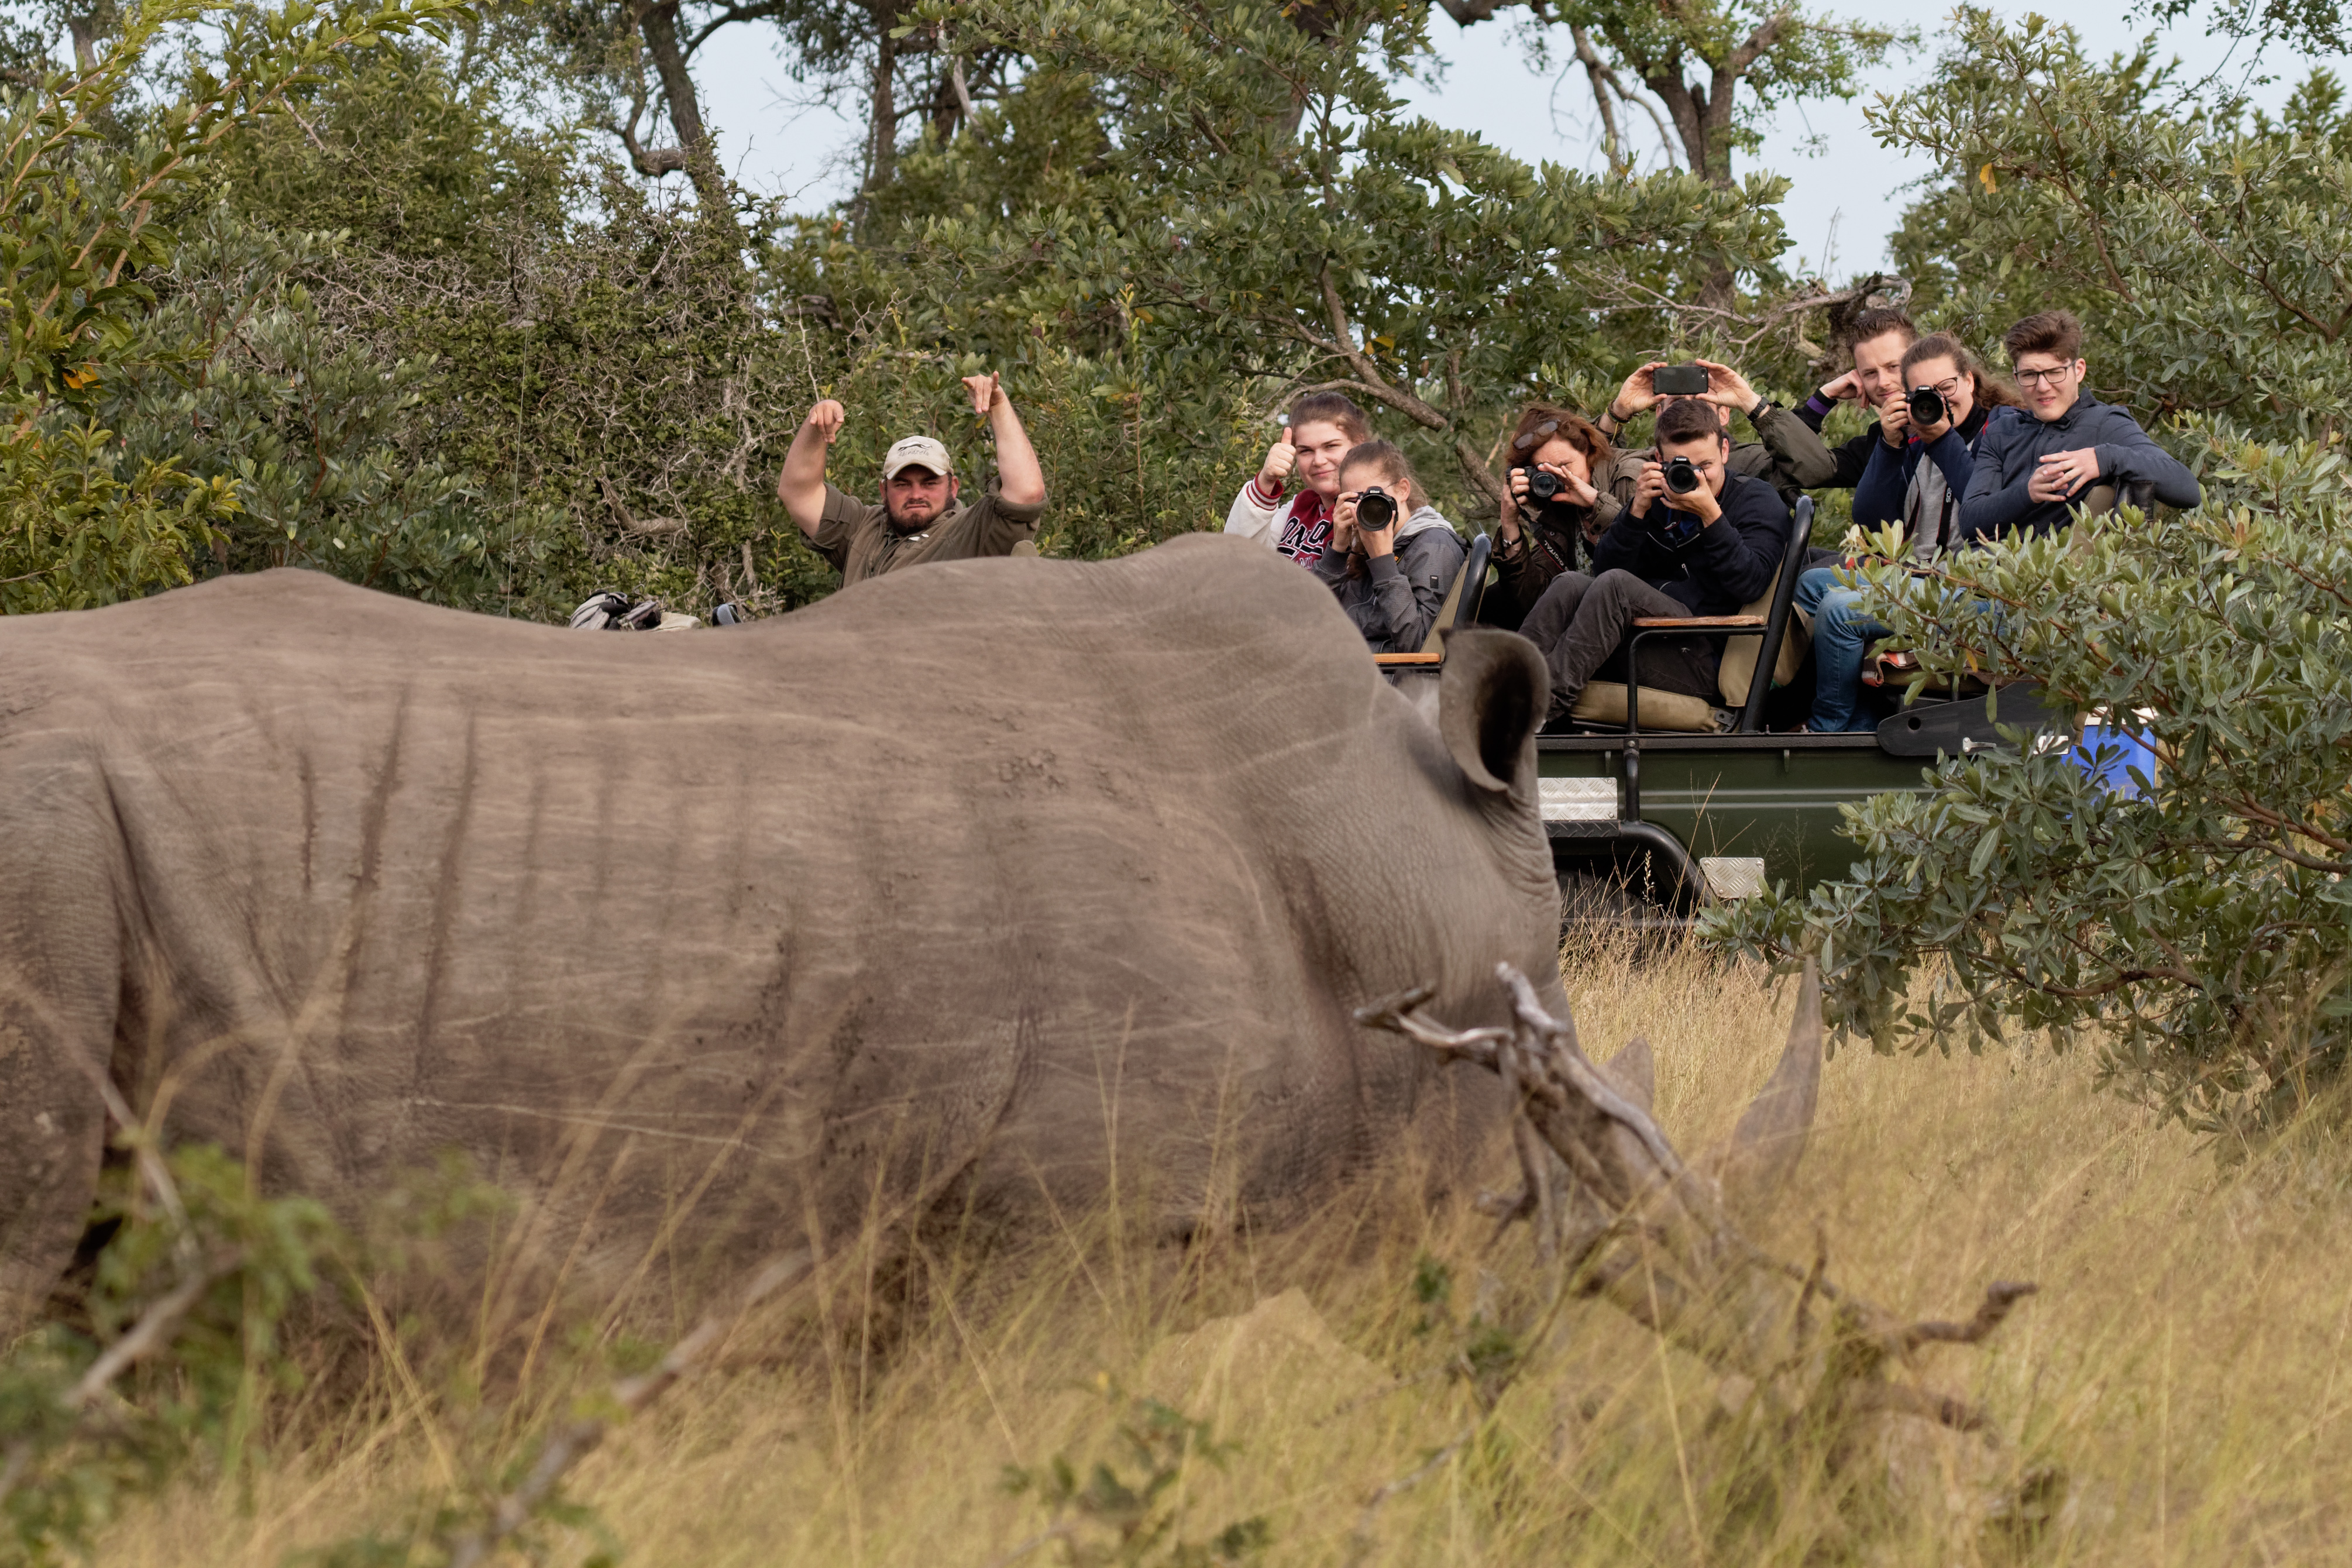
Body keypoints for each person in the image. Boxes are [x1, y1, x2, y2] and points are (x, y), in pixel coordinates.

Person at [1790, 332, 2021, 731]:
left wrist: (1944, 440)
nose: (1940, 401)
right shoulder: (1917, 435)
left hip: (1982, 591)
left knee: (1840, 610)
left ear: (1970, 380)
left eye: (1947, 387)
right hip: (1922, 575)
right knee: (1810, 585)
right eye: (1923, 394)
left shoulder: (2002, 431)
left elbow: (1987, 515)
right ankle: (1861, 717)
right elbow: (1871, 521)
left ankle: (1828, 727)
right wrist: (1891, 446)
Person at [1518, 397, 1790, 724]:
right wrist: (1635, 515)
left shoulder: (1757, 499)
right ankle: (1505, 694)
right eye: (1682, 468)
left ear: (1725, 453)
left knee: (1616, 586)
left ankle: (1534, 715)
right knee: (1571, 583)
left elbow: (1752, 583)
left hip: (1707, 655)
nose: (1696, 479)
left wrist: (1711, 515)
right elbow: (1603, 569)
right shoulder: (1658, 498)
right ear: (1659, 460)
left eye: (1705, 467)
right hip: (1648, 639)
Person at [777, 372, 1047, 586]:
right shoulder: (862, 528)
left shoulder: (973, 532)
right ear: (884, 490)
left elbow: (1027, 492)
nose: (916, 494)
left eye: (930, 483)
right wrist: (817, 424)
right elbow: (799, 494)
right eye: (902, 484)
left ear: (952, 487)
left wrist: (998, 407)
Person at [1960, 309, 2202, 542]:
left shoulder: (2106, 424)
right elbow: (1970, 522)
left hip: (2050, 579)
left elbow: (2188, 490)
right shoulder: (2001, 432)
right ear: (2016, 378)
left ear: (2079, 370)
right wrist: (2027, 493)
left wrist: (2104, 458)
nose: (2043, 386)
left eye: (2055, 372)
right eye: (2030, 375)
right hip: (1980, 573)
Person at [1593, 358, 1836, 505]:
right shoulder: (1643, 463)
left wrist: (1751, 403)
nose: (1689, 407)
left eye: (1700, 402)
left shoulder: (1751, 462)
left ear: (1724, 416)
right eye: (1677, 403)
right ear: (1660, 414)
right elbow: (1589, 469)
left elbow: (1819, 469)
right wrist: (1618, 412)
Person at [1315, 441, 1466, 654]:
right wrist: (1338, 548)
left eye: (1372, 496)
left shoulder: (1435, 547)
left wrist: (1383, 562)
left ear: (1403, 490)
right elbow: (1309, 616)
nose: (1366, 508)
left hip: (1388, 681)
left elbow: (1421, 647)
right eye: (1355, 499)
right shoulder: (1362, 547)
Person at [1487, 405, 1616, 625]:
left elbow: (1648, 545)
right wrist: (1509, 521)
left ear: (1587, 452)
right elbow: (1531, 600)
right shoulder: (1558, 512)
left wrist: (1596, 503)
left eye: (1565, 466)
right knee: (1491, 600)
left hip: (1619, 612)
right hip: (1580, 619)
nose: (1559, 477)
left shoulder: (1622, 477)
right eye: (1545, 472)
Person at [1226, 391, 1371, 565]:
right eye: (1305, 451)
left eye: (1331, 446)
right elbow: (1237, 557)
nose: (1318, 461)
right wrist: (1265, 482)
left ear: (1359, 444)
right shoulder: (1301, 507)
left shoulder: (1377, 509)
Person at [1788, 306, 1920, 490]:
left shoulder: (1961, 420)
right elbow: (1790, 466)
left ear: (1919, 361)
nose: (1883, 382)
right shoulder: (1872, 447)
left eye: (1893, 367)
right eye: (1870, 373)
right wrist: (1825, 397)